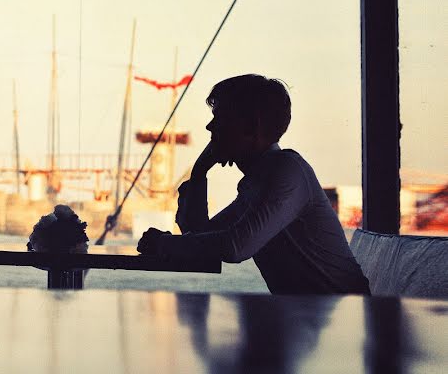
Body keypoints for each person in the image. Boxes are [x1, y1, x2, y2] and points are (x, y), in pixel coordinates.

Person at [137, 74, 370, 295]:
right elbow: (198, 235)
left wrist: (166, 244)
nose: (210, 127)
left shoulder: (287, 171)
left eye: (220, 119)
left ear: (251, 127)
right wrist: (199, 173)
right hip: (314, 320)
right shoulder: (257, 183)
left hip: (346, 320)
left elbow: (236, 246)